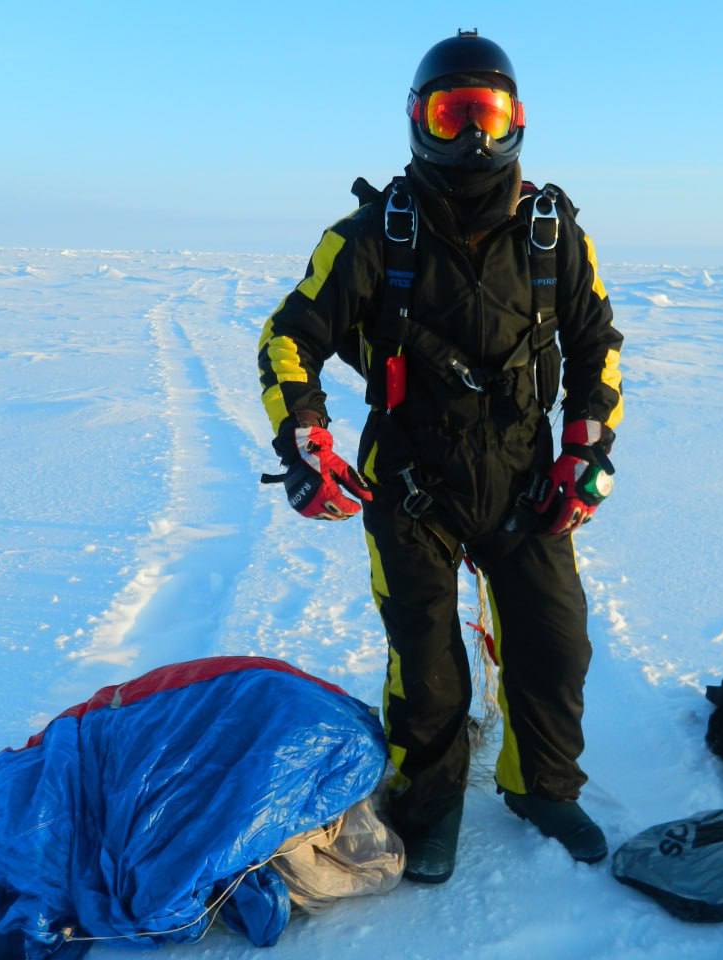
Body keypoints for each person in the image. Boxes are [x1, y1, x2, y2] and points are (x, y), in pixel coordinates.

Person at [257, 30, 624, 883]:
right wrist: (307, 442)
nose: (473, 138)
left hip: (526, 479)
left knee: (555, 643)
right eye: (452, 115)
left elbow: (596, 343)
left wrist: (586, 447)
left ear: (518, 120)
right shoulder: (368, 235)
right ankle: (429, 807)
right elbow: (288, 337)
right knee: (426, 669)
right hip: (408, 480)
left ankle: (542, 788)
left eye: (486, 115)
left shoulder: (554, 233)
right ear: (418, 120)